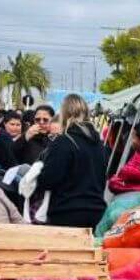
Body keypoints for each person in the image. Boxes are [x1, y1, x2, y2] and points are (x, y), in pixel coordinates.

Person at [36, 94, 107, 229]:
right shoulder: (99, 144)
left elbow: (49, 180)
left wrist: (37, 176)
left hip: (67, 212)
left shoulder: (64, 142)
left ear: (64, 114)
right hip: (97, 211)